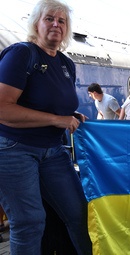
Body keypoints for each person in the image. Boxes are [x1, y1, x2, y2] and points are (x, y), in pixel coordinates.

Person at [0, 0, 92, 254]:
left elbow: (47, 102)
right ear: (36, 24)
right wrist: (55, 120)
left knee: (79, 213)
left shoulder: (65, 63)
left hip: (52, 151)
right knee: (29, 222)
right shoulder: (22, 54)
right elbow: (3, 109)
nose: (56, 24)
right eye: (49, 18)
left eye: (62, 21)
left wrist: (69, 114)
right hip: (13, 150)